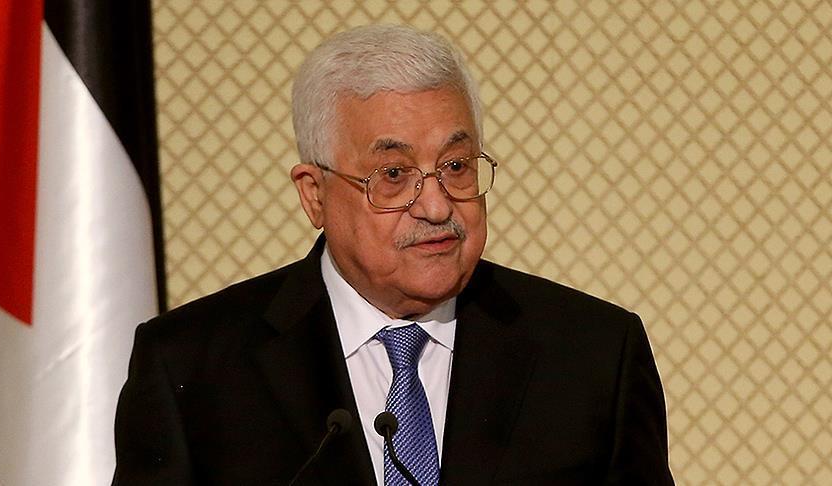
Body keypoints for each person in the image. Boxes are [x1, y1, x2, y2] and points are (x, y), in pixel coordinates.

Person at [113, 24, 674, 485]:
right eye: (393, 174)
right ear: (314, 194)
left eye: (456, 166)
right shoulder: (190, 369)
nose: (436, 205)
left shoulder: (595, 356)